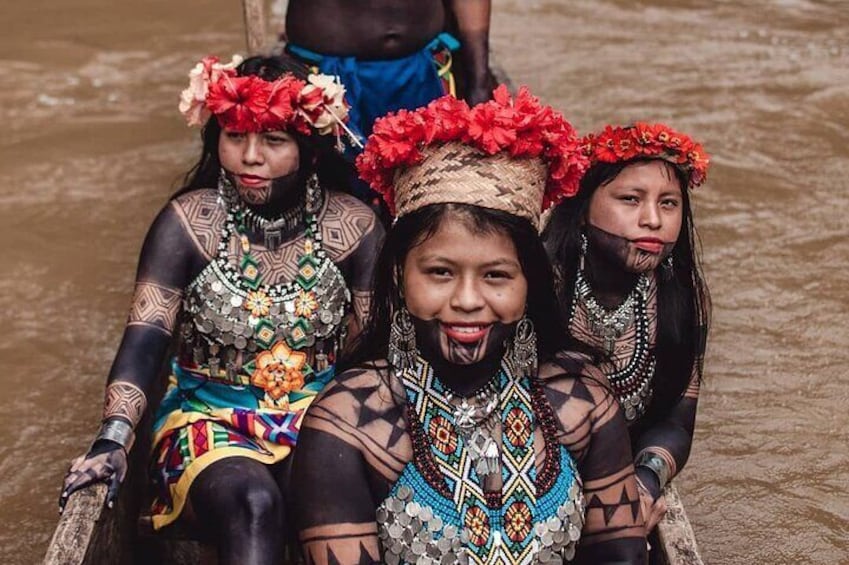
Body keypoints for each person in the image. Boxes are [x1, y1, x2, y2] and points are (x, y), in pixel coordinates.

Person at [291, 88, 647, 564]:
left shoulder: (583, 400)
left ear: (529, 284)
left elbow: (620, 556)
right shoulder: (347, 424)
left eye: (496, 276)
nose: (466, 301)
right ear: (400, 277)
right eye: (440, 272)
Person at [59, 54, 383, 564]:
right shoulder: (187, 224)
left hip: (321, 422)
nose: (249, 157)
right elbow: (144, 341)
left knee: (329, 496)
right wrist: (114, 438)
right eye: (235, 137)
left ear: (311, 151)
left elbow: (375, 356)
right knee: (254, 503)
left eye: (273, 141)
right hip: (204, 420)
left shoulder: (356, 229)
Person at [542, 123, 711, 534]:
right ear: (583, 209)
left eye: (668, 203)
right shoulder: (539, 285)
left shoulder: (683, 301)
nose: (652, 219)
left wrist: (645, 480)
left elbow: (676, 422)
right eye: (630, 199)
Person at [283, 0, 494, 146]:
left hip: (423, 73)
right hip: (324, 77)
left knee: (429, 189)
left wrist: (479, 83)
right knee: (334, 187)